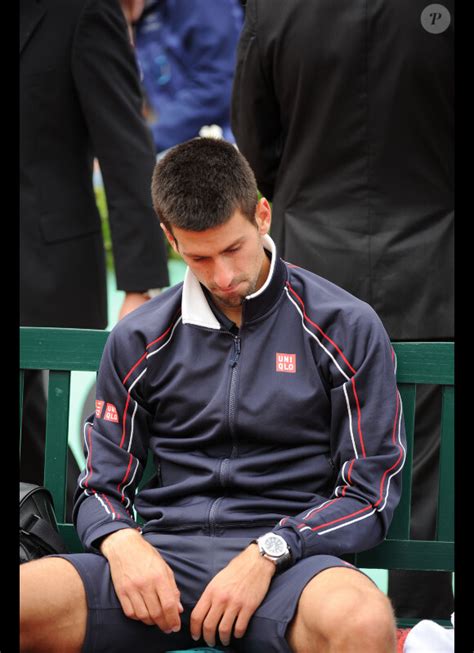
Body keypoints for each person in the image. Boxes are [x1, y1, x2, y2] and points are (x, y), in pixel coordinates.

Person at [20, 138, 406, 653]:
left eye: (232, 249)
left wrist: (271, 550)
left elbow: (370, 492)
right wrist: (121, 542)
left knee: (362, 622)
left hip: (291, 567)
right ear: (170, 239)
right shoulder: (139, 338)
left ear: (262, 215)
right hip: (161, 565)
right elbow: (100, 484)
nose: (223, 277)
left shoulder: (344, 325)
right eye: (199, 257)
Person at [231, 0, 454, 620]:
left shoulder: (273, 14)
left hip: (309, 261)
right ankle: (421, 619)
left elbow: (254, 149)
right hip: (433, 253)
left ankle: (320, 607)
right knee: (431, 445)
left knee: (307, 440)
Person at [20, 0, 170, 519]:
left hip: (45, 266)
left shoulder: (84, 12)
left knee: (31, 427)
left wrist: (140, 286)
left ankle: (83, 537)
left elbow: (125, 145)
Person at [121, 0, 243, 155]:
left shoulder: (204, 6)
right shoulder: (145, 14)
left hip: (223, 147)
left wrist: (140, 142)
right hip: (178, 150)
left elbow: (220, 84)